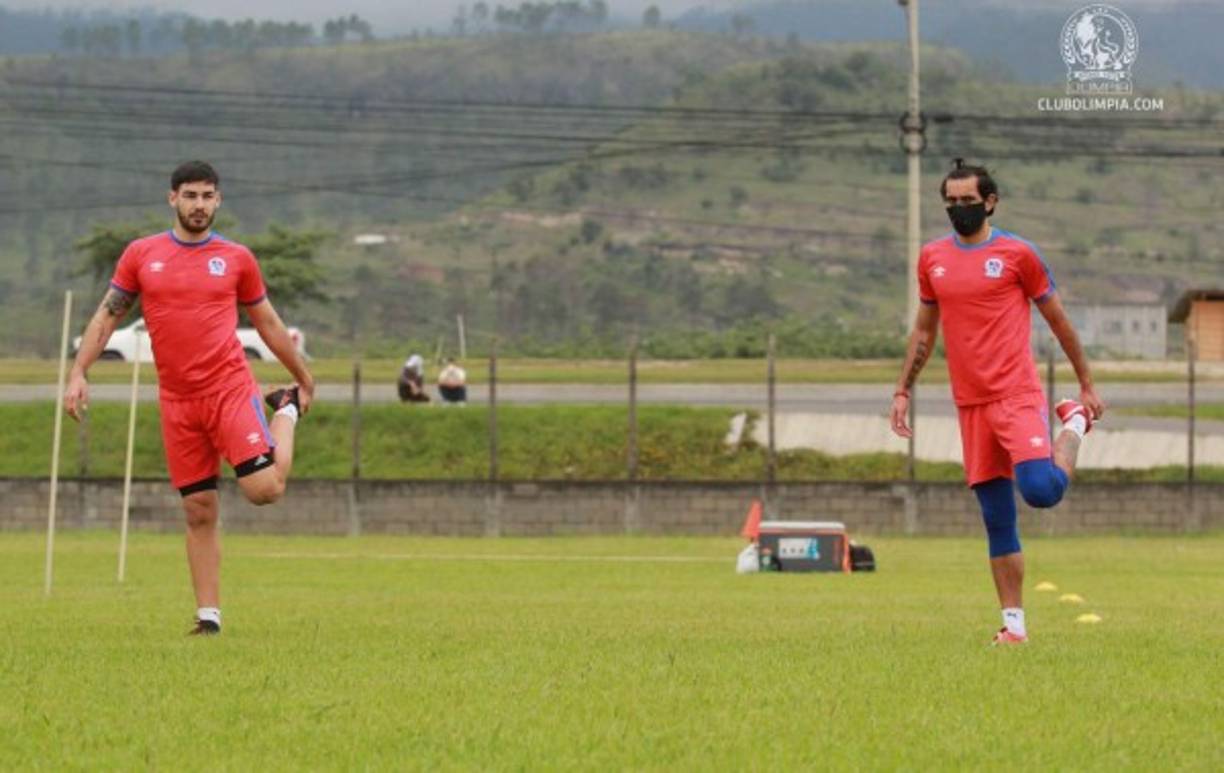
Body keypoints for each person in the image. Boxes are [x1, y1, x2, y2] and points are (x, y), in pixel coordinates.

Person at [64, 160, 314, 637]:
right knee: (198, 508)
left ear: (218, 201)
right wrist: (79, 371)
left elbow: (268, 324)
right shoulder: (141, 255)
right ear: (172, 199)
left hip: (228, 389)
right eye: (190, 196)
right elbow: (107, 316)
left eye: (207, 196)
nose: (199, 205)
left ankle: (283, 409)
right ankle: (208, 617)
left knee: (264, 491)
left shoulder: (237, 258)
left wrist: (302, 377)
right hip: (177, 401)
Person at [889, 159, 1105, 646]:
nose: (959, 209)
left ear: (990, 202)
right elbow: (924, 331)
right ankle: (1014, 628)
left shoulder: (1017, 254)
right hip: (971, 404)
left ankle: (1072, 425)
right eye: (951, 202)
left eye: (968, 201)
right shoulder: (932, 260)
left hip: (1016, 394)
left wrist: (1085, 385)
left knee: (1041, 491)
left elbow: (1058, 320)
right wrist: (903, 388)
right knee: (996, 520)